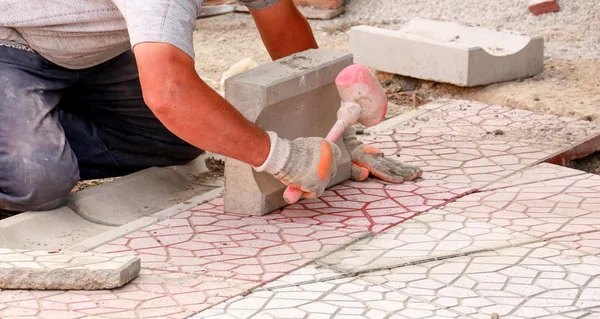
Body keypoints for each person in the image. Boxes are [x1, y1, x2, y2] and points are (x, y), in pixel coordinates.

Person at [0, 0, 422, 213]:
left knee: (179, 138)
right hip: (11, 41)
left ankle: (34, 118)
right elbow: (168, 93)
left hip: (86, 50)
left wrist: (339, 133)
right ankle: (28, 138)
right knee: (38, 179)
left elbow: (285, 32)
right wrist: (285, 158)